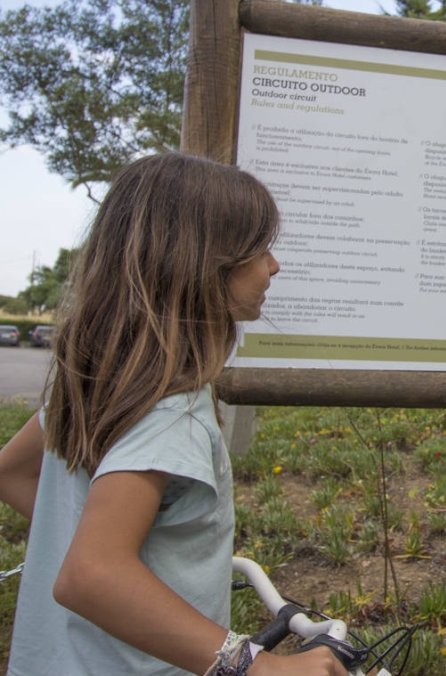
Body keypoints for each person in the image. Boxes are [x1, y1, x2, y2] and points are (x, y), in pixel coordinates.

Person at [0, 154, 347, 676]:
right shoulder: (171, 412)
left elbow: (11, 472)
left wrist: (137, 565)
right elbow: (91, 575)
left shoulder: (99, 386)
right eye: (257, 249)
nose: (273, 266)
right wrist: (258, 666)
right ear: (201, 264)